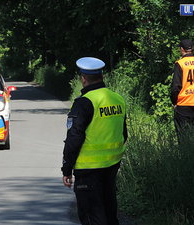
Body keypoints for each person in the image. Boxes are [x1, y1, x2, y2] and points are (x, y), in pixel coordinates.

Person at [61, 57, 128, 225]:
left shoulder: (84, 102)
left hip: (88, 169)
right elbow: (123, 133)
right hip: (112, 165)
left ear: (83, 79)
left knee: (92, 217)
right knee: (109, 213)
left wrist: (67, 168)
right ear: (102, 76)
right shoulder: (117, 98)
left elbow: (74, 138)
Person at [170, 39, 194, 142]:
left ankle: (185, 157)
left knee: (183, 138)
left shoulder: (180, 63)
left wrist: (174, 102)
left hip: (184, 104)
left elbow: (176, 87)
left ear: (181, 49)